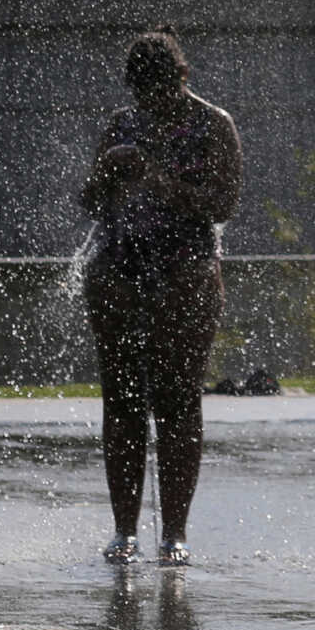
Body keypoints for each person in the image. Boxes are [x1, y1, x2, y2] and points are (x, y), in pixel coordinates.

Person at [79, 30, 242, 568]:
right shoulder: (121, 125)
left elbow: (221, 205)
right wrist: (105, 175)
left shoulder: (213, 125)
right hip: (118, 275)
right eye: (144, 93)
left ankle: (174, 533)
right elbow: (87, 200)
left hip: (186, 278)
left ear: (184, 77)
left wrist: (155, 178)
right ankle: (124, 531)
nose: (153, 103)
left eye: (162, 91)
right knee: (121, 402)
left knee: (177, 402)